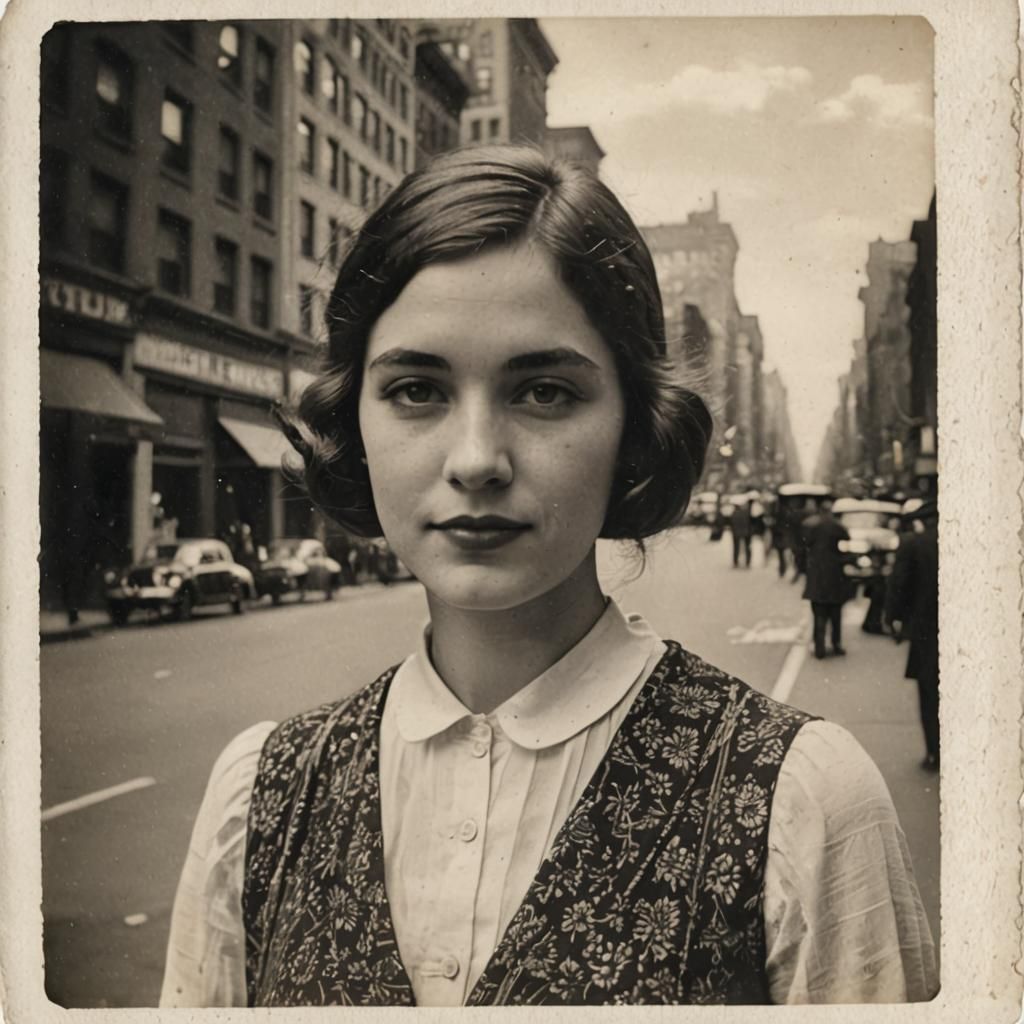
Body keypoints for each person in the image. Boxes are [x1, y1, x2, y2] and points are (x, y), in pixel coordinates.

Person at [160, 146, 936, 1007]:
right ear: (354, 421)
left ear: (635, 428)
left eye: (544, 394)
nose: (477, 460)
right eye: (417, 389)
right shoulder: (261, 795)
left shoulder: (809, 801)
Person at [884, 500, 940, 771]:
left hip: (927, 630)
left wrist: (893, 618)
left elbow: (899, 584)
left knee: (930, 692)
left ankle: (935, 752)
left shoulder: (913, 544)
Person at [801, 497, 852, 659]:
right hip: (834, 573)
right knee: (835, 612)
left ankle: (819, 646)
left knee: (818, 612)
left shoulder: (809, 524)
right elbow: (846, 541)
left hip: (816, 572)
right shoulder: (837, 526)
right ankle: (836, 644)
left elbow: (804, 546)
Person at [728, 495, 753, 568]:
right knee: (747, 547)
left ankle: (735, 562)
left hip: (736, 532)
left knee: (736, 547)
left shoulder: (734, 513)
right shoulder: (746, 512)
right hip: (746, 532)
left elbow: (731, 523)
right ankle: (748, 562)